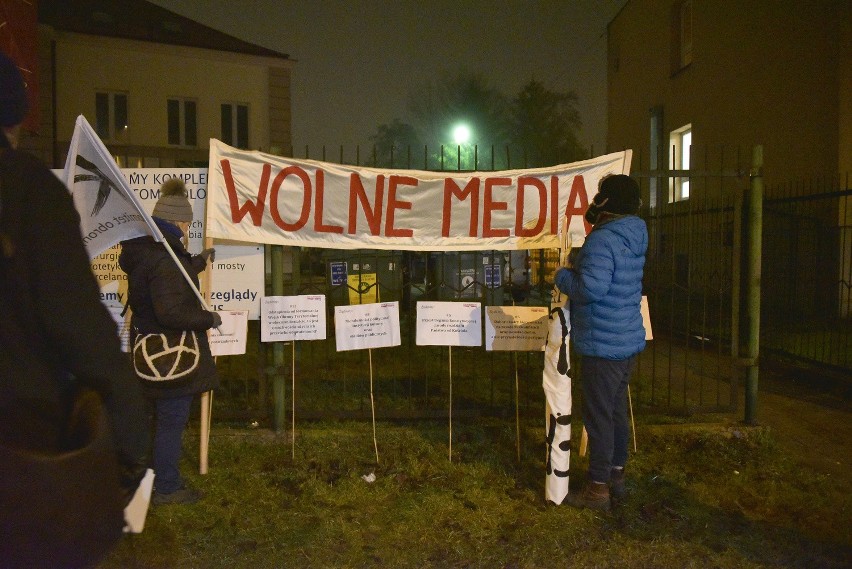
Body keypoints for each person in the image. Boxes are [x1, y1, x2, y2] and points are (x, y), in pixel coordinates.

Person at [0, 52, 149, 566]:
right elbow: (83, 332)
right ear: (14, 118)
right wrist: (130, 445)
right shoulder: (25, 192)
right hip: (20, 469)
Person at [119, 177, 220, 505]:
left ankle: (150, 476)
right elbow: (171, 312)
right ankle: (166, 486)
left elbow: (169, 280)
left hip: (150, 352)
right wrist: (210, 318)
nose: (189, 229)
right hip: (171, 354)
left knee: (159, 417)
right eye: (188, 224)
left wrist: (199, 263)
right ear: (179, 222)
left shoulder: (150, 251)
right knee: (172, 418)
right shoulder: (165, 258)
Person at [554, 174, 647, 511]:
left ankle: (597, 489)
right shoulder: (633, 235)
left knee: (598, 418)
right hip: (624, 341)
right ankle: (616, 476)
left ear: (607, 202)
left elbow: (590, 289)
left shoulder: (602, 240)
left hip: (601, 343)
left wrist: (562, 275)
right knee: (616, 412)